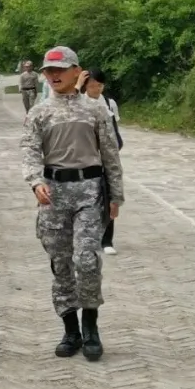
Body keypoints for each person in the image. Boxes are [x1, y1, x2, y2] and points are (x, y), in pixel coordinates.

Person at [20, 48, 125, 361]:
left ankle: (91, 325)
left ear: (76, 70)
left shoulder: (95, 110)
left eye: (60, 69)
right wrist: (35, 181)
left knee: (87, 260)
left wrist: (116, 195)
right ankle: (70, 328)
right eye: (49, 70)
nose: (54, 75)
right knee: (61, 263)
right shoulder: (38, 113)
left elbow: (110, 154)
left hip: (90, 192)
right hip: (54, 194)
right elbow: (30, 150)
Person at [84, 70, 123, 255]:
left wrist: (114, 149)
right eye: (92, 85)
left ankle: (107, 240)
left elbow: (115, 130)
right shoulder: (80, 103)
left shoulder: (109, 103)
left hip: (106, 157)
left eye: (99, 85)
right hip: (86, 158)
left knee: (109, 196)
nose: (96, 89)